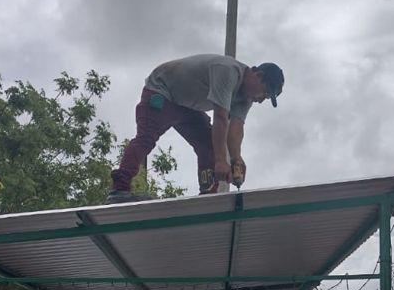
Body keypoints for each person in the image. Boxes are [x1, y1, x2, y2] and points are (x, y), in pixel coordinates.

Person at [107, 53, 284, 203]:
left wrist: (237, 159)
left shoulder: (246, 97)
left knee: (209, 146)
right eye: (265, 93)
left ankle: (207, 196)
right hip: (161, 90)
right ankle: (119, 189)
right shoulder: (228, 71)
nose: (261, 99)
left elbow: (236, 128)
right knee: (146, 138)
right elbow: (221, 118)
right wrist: (222, 161)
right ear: (258, 75)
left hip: (187, 106)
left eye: (266, 98)